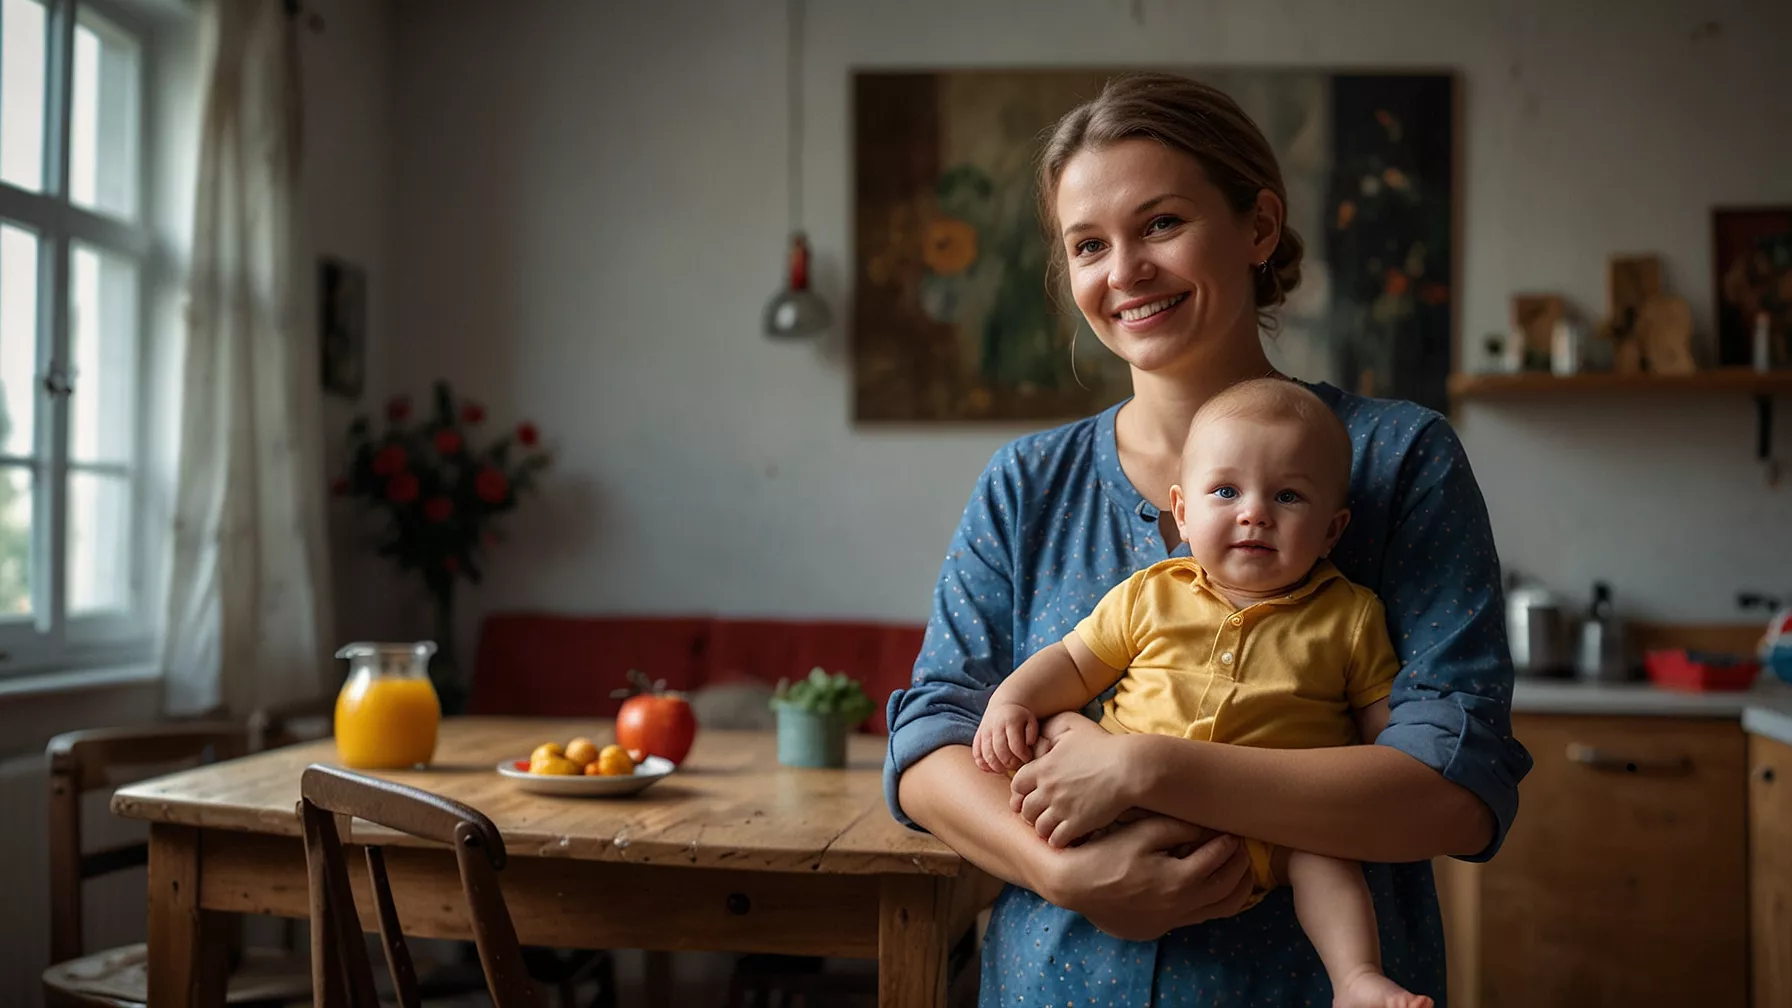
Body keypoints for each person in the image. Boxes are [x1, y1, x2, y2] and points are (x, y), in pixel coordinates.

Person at [883, 72, 1532, 1005]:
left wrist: (1151, 766)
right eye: (1088, 246)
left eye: (1160, 225)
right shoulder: (1028, 482)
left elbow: (1454, 793)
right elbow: (930, 746)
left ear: (1259, 228)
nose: (1125, 272)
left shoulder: (1400, 460)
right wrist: (1062, 874)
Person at [974, 377, 1428, 1008]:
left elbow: (1386, 742)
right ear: (1182, 512)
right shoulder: (1150, 594)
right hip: (1123, 815)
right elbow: (1074, 663)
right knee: (1063, 734)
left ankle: (1355, 978)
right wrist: (1013, 702)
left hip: (1270, 829)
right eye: (1226, 491)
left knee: (1327, 864)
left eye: (1289, 496)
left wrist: (1376, 771)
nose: (1254, 512)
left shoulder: (1349, 617)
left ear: (1332, 530)